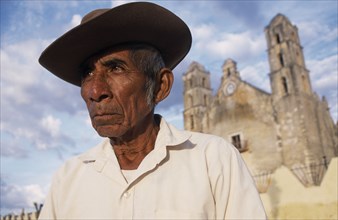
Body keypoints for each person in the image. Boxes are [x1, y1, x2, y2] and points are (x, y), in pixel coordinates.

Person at [38, 2, 266, 219]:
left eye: (116, 68)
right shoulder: (67, 180)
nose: (95, 90)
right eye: (87, 74)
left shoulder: (214, 160)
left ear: (160, 86)